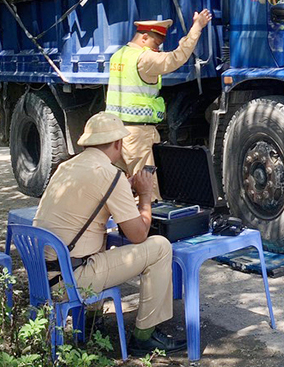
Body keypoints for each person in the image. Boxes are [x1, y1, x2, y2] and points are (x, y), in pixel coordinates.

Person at [33, 112, 183, 355]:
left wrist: (123, 186)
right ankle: (144, 337)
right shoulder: (110, 175)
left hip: (42, 274)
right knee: (160, 247)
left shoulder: (65, 167)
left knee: (97, 240)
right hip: (70, 281)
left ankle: (92, 324)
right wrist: (144, 194)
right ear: (118, 144)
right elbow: (138, 235)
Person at [106, 10, 213, 200]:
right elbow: (176, 58)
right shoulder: (144, 59)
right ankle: (147, 227)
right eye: (156, 44)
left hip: (115, 131)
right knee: (147, 190)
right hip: (137, 135)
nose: (157, 49)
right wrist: (197, 27)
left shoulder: (119, 56)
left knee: (125, 186)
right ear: (144, 37)